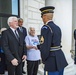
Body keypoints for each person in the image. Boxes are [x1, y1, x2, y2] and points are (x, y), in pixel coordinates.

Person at [38, 6, 68, 75]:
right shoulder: (57, 27)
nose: (42, 19)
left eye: (42, 17)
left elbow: (45, 46)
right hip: (60, 58)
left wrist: (43, 60)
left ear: (44, 16)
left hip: (51, 60)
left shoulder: (45, 28)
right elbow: (55, 43)